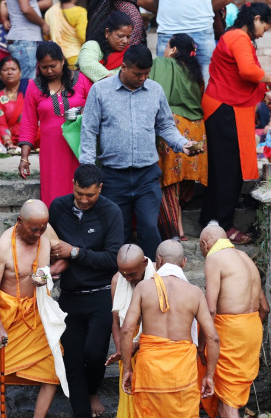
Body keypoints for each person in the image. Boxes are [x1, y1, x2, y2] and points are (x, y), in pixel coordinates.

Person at [80, 44, 200, 260]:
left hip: (147, 175)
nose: (143, 78)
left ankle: (154, 277)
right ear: (123, 67)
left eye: (146, 74)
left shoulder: (155, 90)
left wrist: (182, 144)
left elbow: (165, 126)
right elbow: (89, 130)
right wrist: (87, 169)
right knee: (119, 231)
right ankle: (120, 281)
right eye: (137, 74)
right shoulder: (100, 90)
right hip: (113, 176)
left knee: (148, 227)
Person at [120, 240, 220, 418]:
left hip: (150, 369)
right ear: (184, 263)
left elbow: (126, 331)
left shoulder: (143, 288)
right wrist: (208, 374)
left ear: (158, 261)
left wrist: (128, 369)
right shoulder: (195, 293)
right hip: (183, 371)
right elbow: (213, 336)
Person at [0, 200, 67, 418]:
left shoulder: (46, 231)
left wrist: (50, 272)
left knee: (52, 372)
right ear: (19, 222)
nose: (39, 234)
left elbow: (64, 260)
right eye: (34, 229)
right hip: (7, 315)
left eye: (42, 229)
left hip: (37, 312)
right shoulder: (3, 247)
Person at [48, 164, 123, 418]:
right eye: (79, 193)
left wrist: (76, 253)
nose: (83, 200)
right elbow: (48, 243)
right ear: (73, 184)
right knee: (71, 360)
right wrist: (52, 267)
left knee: (94, 353)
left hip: (102, 294)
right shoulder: (58, 207)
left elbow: (114, 258)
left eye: (89, 195)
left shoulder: (111, 212)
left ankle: (92, 391)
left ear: (100, 189)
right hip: (68, 296)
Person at [198, 3, 271, 245]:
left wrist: (263, 93)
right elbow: (247, 70)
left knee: (221, 168)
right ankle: (224, 226)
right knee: (229, 171)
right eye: (265, 26)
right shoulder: (239, 38)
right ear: (255, 18)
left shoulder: (233, 36)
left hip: (222, 107)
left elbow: (237, 74)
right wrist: (269, 78)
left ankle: (209, 220)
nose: (263, 33)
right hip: (224, 109)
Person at [199, 223, 269, 418]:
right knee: (233, 400)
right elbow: (265, 308)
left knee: (228, 407)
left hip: (231, 329)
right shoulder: (245, 259)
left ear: (206, 245)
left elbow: (210, 311)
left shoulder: (215, 258)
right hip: (251, 328)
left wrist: (202, 345)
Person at [105, 244, 168, 418]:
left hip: (154, 349)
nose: (128, 278)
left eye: (132, 274)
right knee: (129, 409)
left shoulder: (159, 279)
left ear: (145, 264)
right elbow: (116, 322)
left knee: (158, 410)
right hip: (128, 352)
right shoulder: (117, 280)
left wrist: (135, 345)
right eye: (123, 273)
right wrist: (122, 349)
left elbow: (162, 322)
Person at [149, 33, 208, 241]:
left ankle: (175, 230)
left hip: (173, 127)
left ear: (173, 50)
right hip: (196, 130)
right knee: (183, 183)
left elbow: (154, 92)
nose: (165, 50)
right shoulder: (196, 73)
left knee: (167, 182)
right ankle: (179, 225)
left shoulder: (162, 64)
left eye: (167, 46)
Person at [19, 42, 92, 206]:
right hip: (51, 152)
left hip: (78, 147)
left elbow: (95, 107)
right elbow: (28, 123)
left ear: (63, 61)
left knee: (80, 189)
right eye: (44, 67)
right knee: (54, 194)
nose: (49, 71)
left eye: (53, 65)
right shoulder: (34, 87)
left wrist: (83, 112)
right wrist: (24, 158)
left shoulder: (81, 80)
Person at [146, 0, 230, 84]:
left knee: (207, 85)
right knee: (166, 85)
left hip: (201, 28)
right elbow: (143, 1)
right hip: (169, 30)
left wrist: (203, 10)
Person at [77, 11, 133, 83]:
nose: (125, 41)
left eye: (128, 37)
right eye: (120, 36)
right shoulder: (92, 45)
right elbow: (87, 63)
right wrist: (114, 81)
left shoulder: (130, 53)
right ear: (107, 32)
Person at [0, 57, 32, 152]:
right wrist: (8, 142)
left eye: (13, 69)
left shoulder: (30, 86)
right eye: (5, 70)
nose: (10, 73)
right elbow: (1, 124)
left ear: (20, 73)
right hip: (13, 136)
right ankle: (14, 146)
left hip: (32, 133)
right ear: (0, 75)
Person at [6, 0, 50, 81]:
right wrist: (43, 24)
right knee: (26, 82)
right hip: (25, 41)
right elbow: (26, 9)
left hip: (23, 41)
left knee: (23, 82)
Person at [44, 0, 88, 67]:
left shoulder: (49, 13)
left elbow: (46, 37)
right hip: (76, 57)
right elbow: (83, 37)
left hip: (59, 59)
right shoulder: (80, 12)